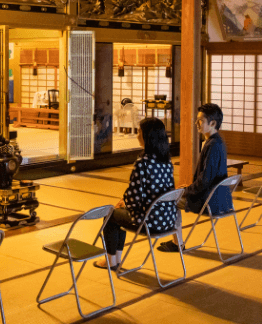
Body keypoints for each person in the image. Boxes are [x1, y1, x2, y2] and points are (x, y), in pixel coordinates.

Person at [94, 118, 176, 270]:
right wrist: (125, 202)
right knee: (119, 212)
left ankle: (111, 261)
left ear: (147, 136)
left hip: (150, 222)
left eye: (139, 132)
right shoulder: (166, 160)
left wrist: (124, 202)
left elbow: (133, 198)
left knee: (111, 215)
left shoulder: (142, 163)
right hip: (168, 220)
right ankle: (115, 259)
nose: (137, 135)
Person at [158, 102, 232, 252]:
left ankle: (177, 243)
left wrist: (185, 191)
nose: (196, 123)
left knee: (172, 200)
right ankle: (177, 241)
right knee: (177, 194)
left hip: (210, 202)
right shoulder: (218, 141)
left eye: (200, 121)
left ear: (212, 123)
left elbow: (205, 180)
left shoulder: (212, 145)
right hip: (222, 200)